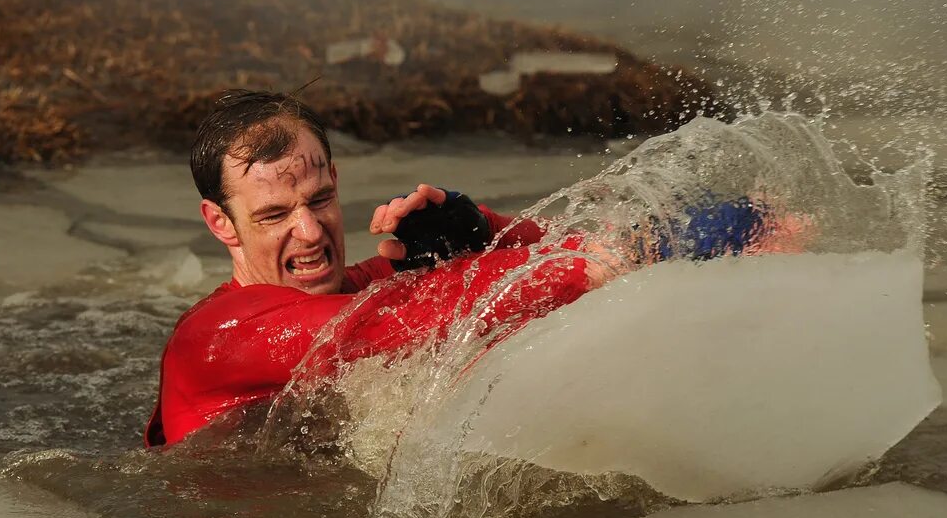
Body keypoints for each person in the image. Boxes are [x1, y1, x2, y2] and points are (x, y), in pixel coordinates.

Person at [144, 90, 604, 447]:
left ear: (336, 180)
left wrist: (487, 230)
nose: (309, 232)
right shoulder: (217, 336)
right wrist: (599, 262)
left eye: (320, 199)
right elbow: (408, 317)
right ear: (220, 222)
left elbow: (550, 247)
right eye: (273, 215)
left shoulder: (360, 288)